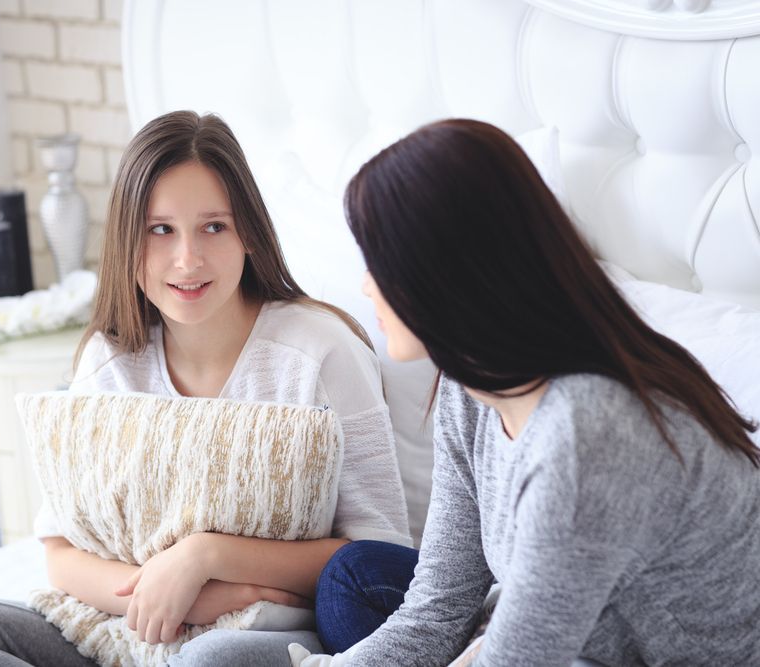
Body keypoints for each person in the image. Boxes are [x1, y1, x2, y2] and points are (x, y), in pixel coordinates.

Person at [0, 110, 411, 667]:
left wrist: (206, 557)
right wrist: (182, 595)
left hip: (257, 633)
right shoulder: (108, 359)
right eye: (161, 230)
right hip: (121, 626)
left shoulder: (319, 352)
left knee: (209, 662)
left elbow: (379, 554)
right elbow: (60, 552)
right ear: (127, 241)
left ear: (249, 234)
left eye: (214, 226)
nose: (188, 260)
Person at [297, 119, 760, 666]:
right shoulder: (469, 387)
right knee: (324, 595)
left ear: (445, 269)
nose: (366, 285)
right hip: (565, 640)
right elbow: (437, 611)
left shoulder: (588, 431)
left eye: (380, 260)